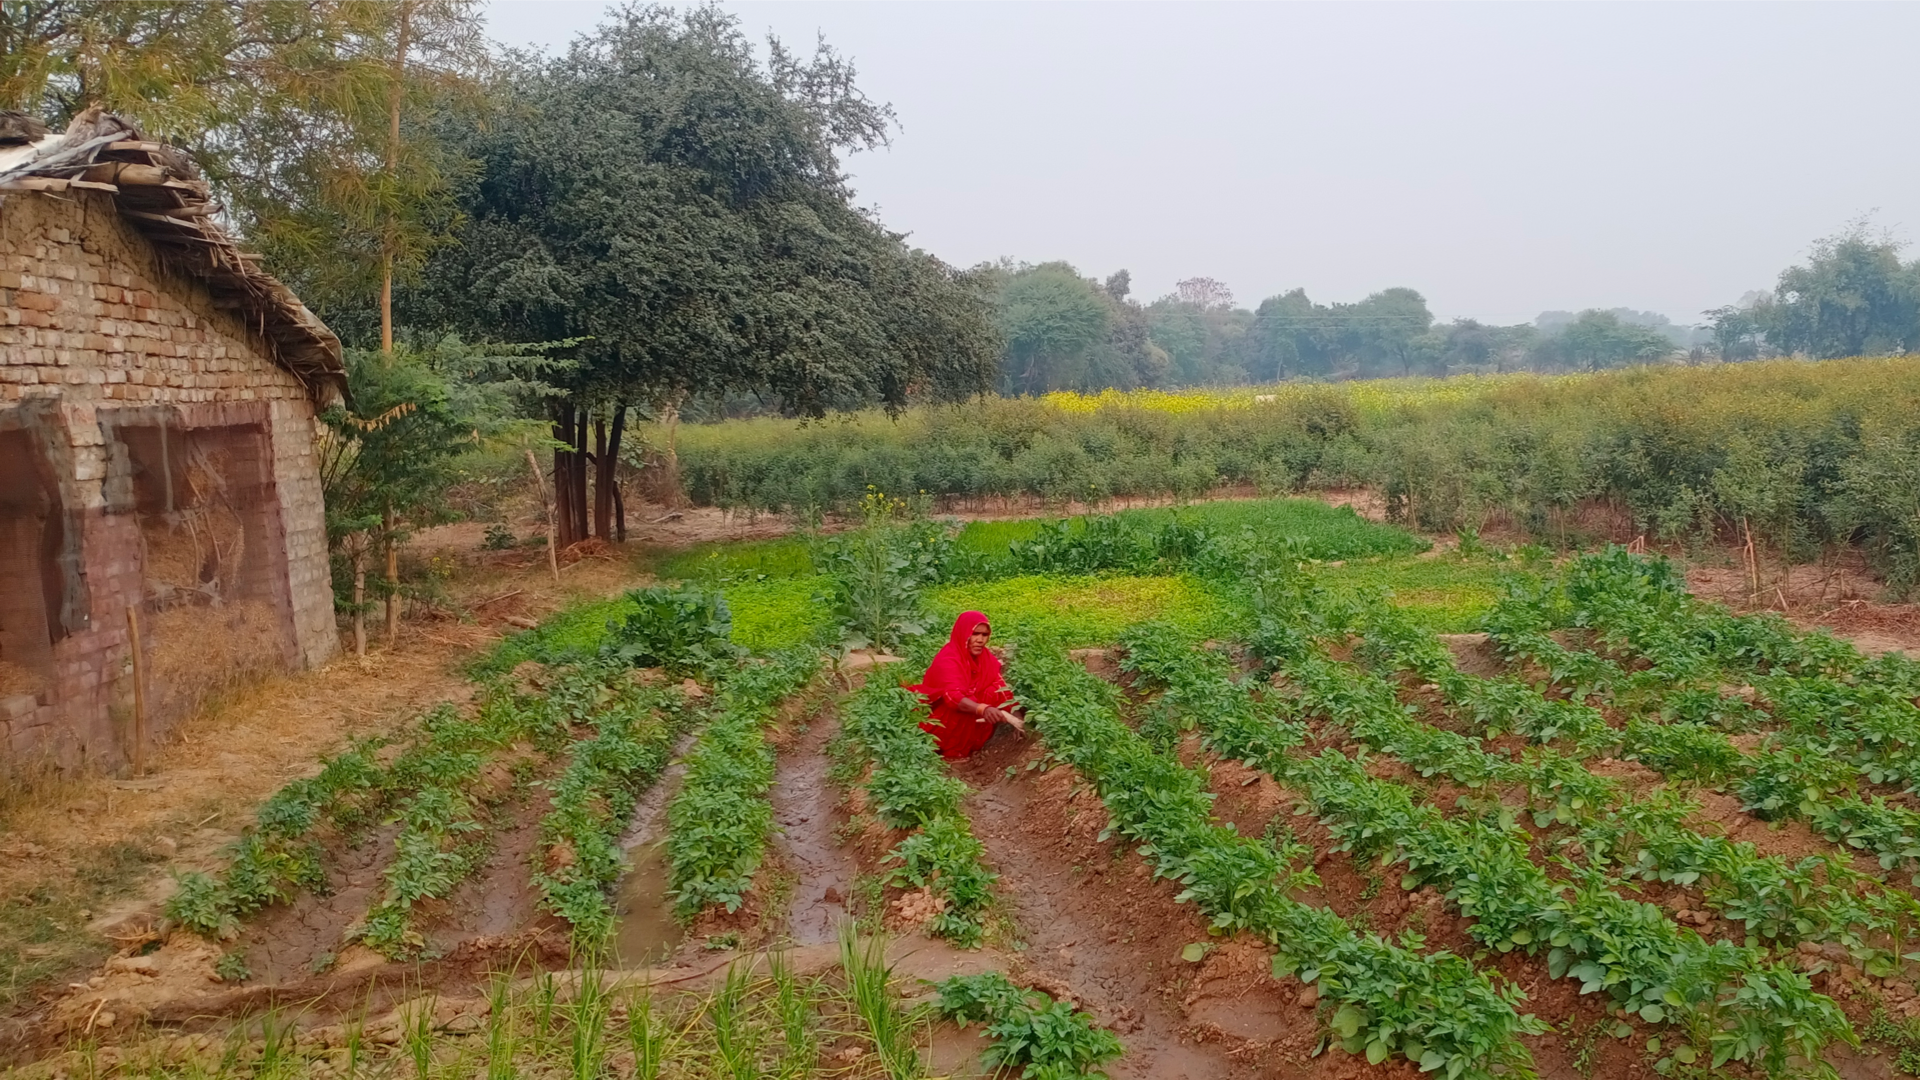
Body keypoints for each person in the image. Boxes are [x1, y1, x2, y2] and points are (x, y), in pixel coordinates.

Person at [908, 611, 1024, 760]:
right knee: (963, 708)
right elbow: (953, 697)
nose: (980, 640)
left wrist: (1018, 720)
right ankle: (947, 750)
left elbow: (1001, 688)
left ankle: (972, 742)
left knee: (992, 690)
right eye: (975, 634)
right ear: (963, 633)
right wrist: (983, 708)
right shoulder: (949, 658)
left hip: (973, 711)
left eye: (984, 635)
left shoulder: (985, 658)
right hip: (940, 716)